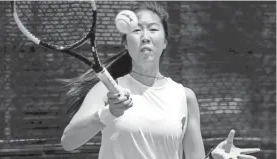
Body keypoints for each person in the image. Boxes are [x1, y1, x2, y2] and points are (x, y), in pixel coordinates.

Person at [61, 1, 260, 159]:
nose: (145, 36)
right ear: (126, 44)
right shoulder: (105, 90)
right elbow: (68, 141)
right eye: (137, 30)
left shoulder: (185, 97)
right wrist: (107, 114)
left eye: (153, 29)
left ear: (164, 42)